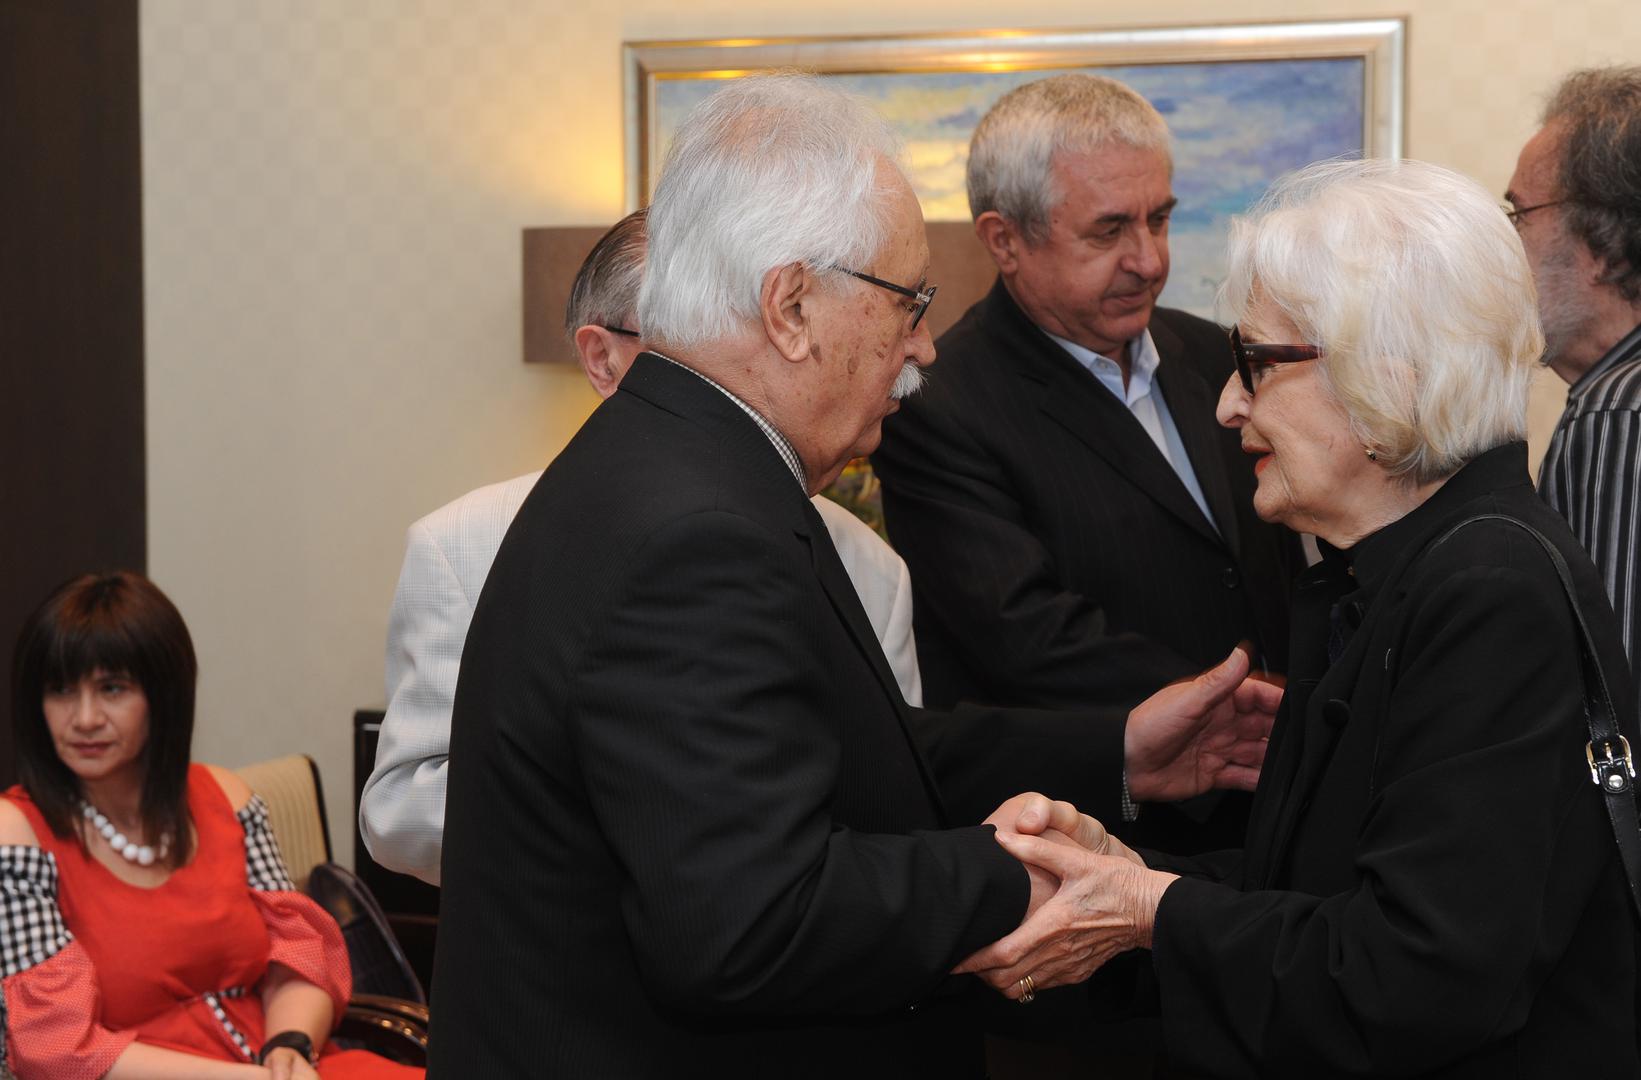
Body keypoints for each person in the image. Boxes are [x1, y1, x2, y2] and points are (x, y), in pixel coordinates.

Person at [429, 73, 1281, 1078]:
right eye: (907, 303)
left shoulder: (678, 463)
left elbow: (847, 749)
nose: (923, 347)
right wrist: (1028, 871)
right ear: (791, 306)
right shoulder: (696, 531)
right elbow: (752, 921)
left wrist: (1118, 752)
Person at [959, 159, 1640, 1078]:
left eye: (1256, 364)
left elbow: (1417, 979)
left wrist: (1150, 907)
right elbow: (1310, 894)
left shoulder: (1486, 590)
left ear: (1388, 373)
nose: (1227, 403)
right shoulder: (1389, 576)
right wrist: (1122, 876)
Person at [359, 209, 924, 886]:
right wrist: (653, 816)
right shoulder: (463, 544)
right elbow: (399, 813)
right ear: (603, 359)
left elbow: (897, 793)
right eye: (679, 347)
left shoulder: (866, 564)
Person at [870, 73, 1300, 852]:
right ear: (1004, 240)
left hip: (1280, 801)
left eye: (1159, 220)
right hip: (1106, 831)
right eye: (1108, 232)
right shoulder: (939, 403)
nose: (1148, 260)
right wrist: (1240, 706)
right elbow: (1027, 638)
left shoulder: (1210, 352)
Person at [0, 571, 423, 1080]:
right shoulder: (16, 831)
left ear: (164, 695)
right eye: (61, 691)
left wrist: (290, 1044)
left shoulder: (226, 797)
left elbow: (298, 953)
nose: (85, 717)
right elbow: (56, 1047)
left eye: (112, 688)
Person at [1510, 66, 1641, 707]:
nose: (1505, 247)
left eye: (1520, 215)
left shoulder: (1616, 415)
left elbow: (1609, 700)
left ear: (1605, 245)